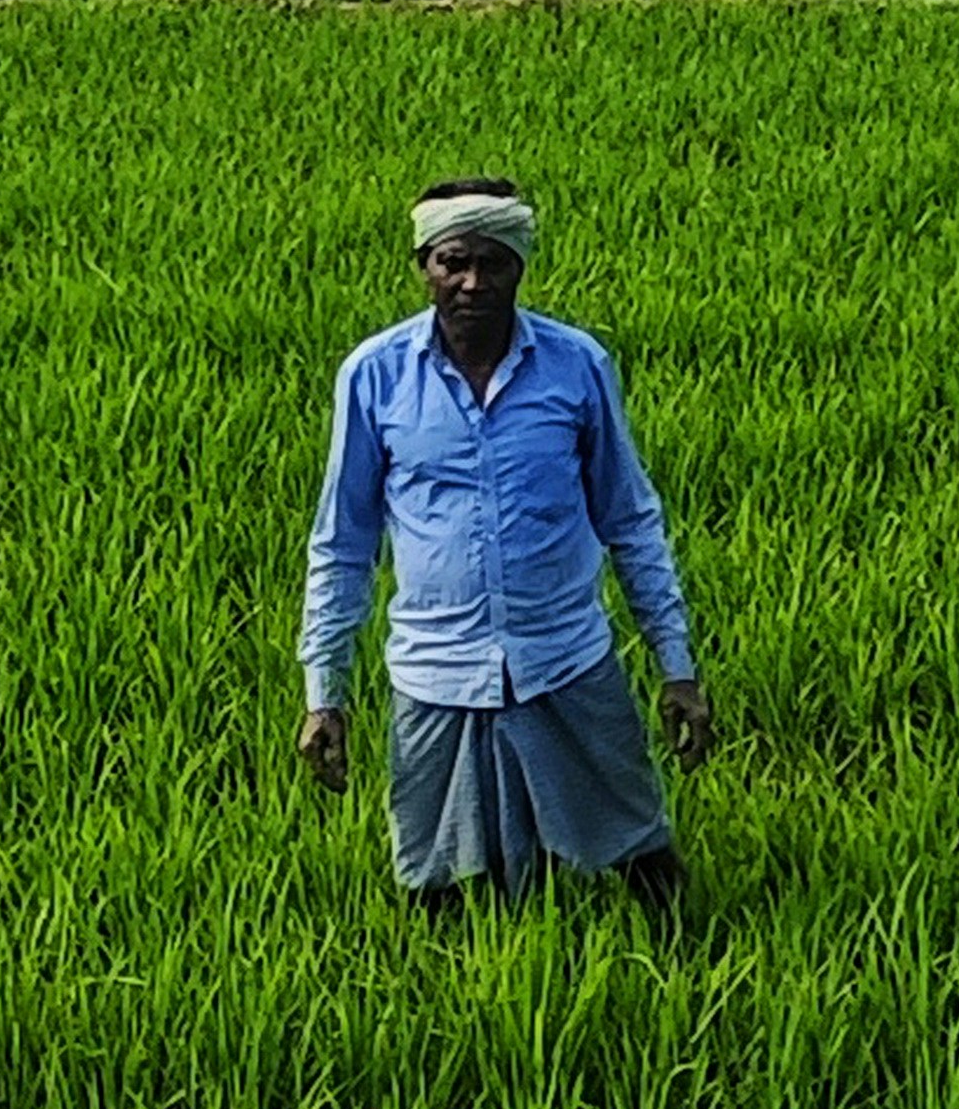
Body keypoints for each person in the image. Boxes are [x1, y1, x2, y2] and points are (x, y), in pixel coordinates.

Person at [297, 181, 714, 926]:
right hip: (437, 670)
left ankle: (687, 963)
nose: (472, 283)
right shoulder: (375, 374)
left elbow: (630, 519)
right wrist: (324, 693)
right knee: (437, 886)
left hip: (564, 659)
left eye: (493, 263)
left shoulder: (576, 366)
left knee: (644, 859)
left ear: (520, 265)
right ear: (424, 265)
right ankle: (465, 991)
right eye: (452, 262)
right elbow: (343, 542)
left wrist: (675, 666)